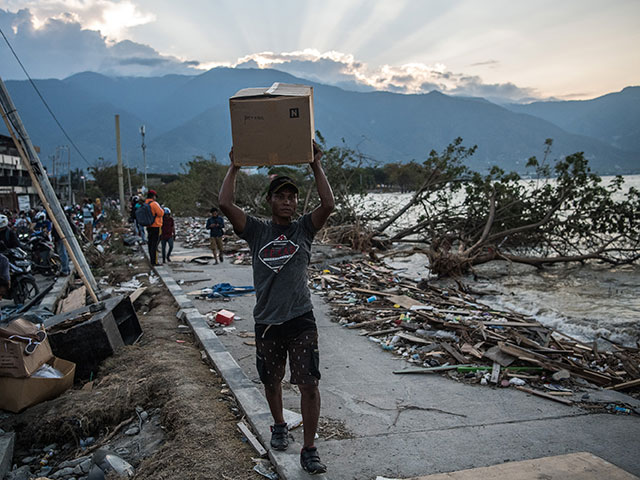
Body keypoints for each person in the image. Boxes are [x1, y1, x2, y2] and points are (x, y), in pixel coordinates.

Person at [219, 141, 334, 475]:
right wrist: (236, 165)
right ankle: (279, 424)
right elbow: (225, 202)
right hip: (267, 323)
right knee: (272, 382)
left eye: (292, 196)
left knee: (309, 384)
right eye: (281, 196)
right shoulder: (257, 230)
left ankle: (309, 448)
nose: (288, 201)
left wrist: (315, 164)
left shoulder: (304, 229)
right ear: (269, 200)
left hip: (301, 319)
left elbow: (328, 203)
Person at [145, 190, 164, 265]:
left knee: (150, 243)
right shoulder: (154, 204)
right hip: (156, 225)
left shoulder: (145, 203)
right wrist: (161, 209)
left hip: (149, 226)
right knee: (155, 244)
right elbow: (160, 213)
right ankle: (154, 261)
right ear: (153, 196)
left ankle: (151, 259)